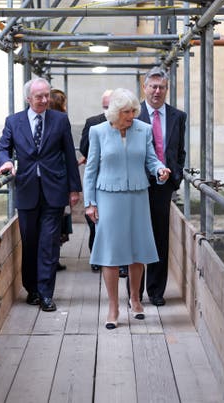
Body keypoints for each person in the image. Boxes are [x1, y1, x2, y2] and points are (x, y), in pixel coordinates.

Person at [83, 88, 171, 329]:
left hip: (138, 195)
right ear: (114, 112)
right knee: (109, 254)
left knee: (137, 250)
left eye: (133, 111)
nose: (131, 115)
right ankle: (113, 307)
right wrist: (89, 203)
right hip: (108, 197)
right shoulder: (98, 131)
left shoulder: (143, 130)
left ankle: (135, 298)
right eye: (126, 112)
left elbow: (151, 160)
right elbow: (90, 169)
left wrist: (160, 171)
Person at [0, 77, 82, 312]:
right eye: (39, 97)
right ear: (28, 99)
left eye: (46, 96)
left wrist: (75, 189)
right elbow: (2, 148)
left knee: (49, 243)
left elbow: (68, 156)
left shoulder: (60, 120)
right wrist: (5, 163)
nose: (44, 100)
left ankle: (45, 294)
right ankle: (31, 288)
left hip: (54, 190)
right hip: (27, 190)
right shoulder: (14, 122)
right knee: (30, 241)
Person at [136, 66, 187, 307]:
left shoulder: (178, 116)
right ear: (144, 88)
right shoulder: (133, 116)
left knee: (159, 238)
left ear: (167, 90)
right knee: (136, 237)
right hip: (136, 185)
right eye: (153, 86)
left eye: (162, 87)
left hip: (163, 186)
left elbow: (179, 151)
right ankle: (134, 293)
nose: (157, 91)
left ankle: (156, 291)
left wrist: (175, 178)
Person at [78, 89, 111, 273]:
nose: (108, 110)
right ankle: (96, 257)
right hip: (98, 176)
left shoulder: (126, 123)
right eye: (105, 106)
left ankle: (119, 263)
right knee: (95, 221)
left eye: (110, 106)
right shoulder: (93, 123)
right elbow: (84, 146)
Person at [49, 88, 71, 271]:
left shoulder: (57, 121)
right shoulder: (61, 121)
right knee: (58, 222)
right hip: (59, 182)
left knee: (56, 222)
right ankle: (53, 258)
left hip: (58, 181)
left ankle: (52, 259)